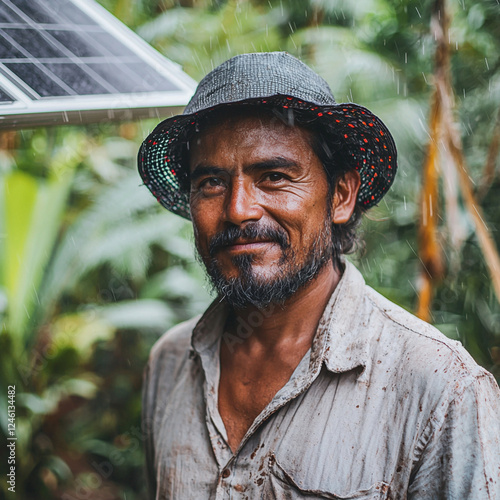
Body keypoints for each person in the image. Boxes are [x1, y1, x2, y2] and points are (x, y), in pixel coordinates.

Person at [138, 52, 500, 499]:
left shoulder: (440, 388)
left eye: (273, 176)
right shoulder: (170, 365)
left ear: (341, 196)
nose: (237, 209)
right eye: (211, 183)